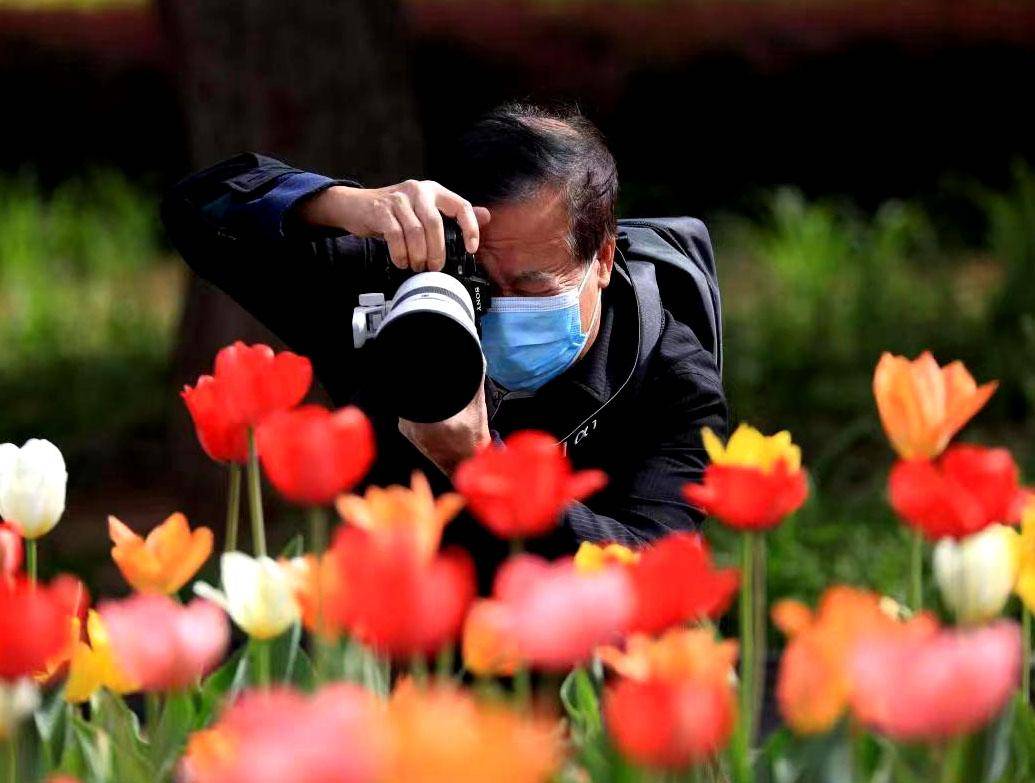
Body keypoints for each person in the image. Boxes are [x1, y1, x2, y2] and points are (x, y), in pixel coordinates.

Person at [162, 101, 728, 586]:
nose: (499, 308)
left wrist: (478, 465)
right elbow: (195, 210)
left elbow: (652, 571)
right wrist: (341, 204)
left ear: (602, 259)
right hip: (406, 645)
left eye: (531, 288)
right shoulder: (398, 286)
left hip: (577, 657)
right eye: (480, 284)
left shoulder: (669, 374)